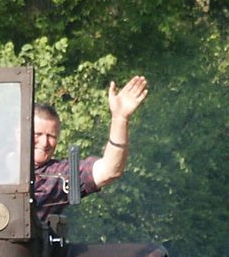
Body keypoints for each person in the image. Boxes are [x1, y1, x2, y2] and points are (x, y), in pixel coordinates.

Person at [30, 75, 149, 217]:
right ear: (20, 133)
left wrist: (120, 118)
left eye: (51, 137)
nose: (45, 143)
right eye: (38, 134)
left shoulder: (59, 174)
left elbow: (110, 170)